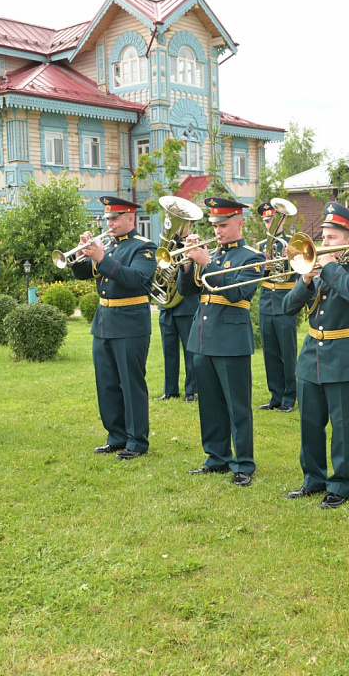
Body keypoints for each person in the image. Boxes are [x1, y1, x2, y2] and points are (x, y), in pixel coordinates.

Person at [283, 202, 349, 509]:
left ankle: (342, 484)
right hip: (312, 356)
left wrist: (331, 266)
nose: (324, 243)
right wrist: (306, 280)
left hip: (345, 356)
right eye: (323, 236)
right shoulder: (317, 271)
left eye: (331, 238)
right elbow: (287, 308)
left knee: (342, 426)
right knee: (309, 423)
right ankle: (313, 479)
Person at [178, 196, 265, 486]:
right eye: (214, 225)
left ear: (240, 223)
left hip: (230, 337)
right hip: (203, 336)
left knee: (237, 405)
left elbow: (237, 293)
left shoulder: (252, 257)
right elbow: (186, 290)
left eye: (224, 225)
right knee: (210, 404)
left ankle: (243, 463)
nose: (217, 231)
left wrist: (208, 263)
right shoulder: (210, 253)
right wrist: (189, 266)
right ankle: (216, 457)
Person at [71, 196, 157, 460]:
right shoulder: (108, 245)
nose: (110, 223)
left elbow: (137, 279)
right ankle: (116, 436)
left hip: (130, 322)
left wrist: (101, 257)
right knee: (106, 383)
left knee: (130, 384)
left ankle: (137, 441)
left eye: (115, 218)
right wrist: (79, 254)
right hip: (104, 321)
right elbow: (83, 274)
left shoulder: (144, 247)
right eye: (107, 218)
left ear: (131, 219)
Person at [255, 201, 298, 413]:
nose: (268, 224)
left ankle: (290, 398)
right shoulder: (260, 246)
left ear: (281, 220)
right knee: (270, 353)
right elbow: (254, 275)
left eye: (271, 220)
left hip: (285, 301)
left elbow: (301, 271)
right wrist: (264, 268)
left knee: (287, 353)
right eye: (266, 220)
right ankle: (275, 396)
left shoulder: (293, 243)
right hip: (266, 302)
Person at [156, 218, 199, 403]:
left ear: (190, 226)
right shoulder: (165, 245)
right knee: (169, 350)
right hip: (166, 304)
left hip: (186, 305)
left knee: (190, 351)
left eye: (184, 224)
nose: (181, 228)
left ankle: (191, 391)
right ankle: (170, 389)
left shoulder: (195, 245)